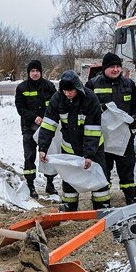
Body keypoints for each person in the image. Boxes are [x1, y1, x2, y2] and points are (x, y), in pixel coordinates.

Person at [37, 70, 110, 211]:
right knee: (69, 179)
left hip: (94, 148)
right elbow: (47, 126)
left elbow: (92, 130)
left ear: (77, 88)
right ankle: (70, 207)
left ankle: (102, 206)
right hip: (69, 148)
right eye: (65, 91)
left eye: (71, 90)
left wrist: (89, 155)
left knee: (98, 177)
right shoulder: (57, 100)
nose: (68, 94)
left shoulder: (90, 99)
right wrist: (43, 148)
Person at [85, 52, 136, 205]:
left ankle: (130, 195)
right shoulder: (93, 84)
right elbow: (85, 106)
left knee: (127, 166)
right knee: (104, 168)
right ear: (104, 68)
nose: (116, 70)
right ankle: (102, 198)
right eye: (112, 67)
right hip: (102, 136)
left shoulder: (128, 84)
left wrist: (134, 118)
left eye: (118, 67)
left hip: (124, 136)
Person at [14, 59, 57, 198]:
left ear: (41, 72)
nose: (35, 73)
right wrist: (34, 117)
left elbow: (55, 105)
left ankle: (50, 184)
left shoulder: (49, 87)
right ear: (28, 73)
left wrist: (47, 118)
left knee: (49, 155)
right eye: (32, 71)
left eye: (37, 71)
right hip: (29, 127)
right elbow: (20, 108)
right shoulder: (22, 88)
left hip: (47, 127)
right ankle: (31, 185)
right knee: (29, 156)